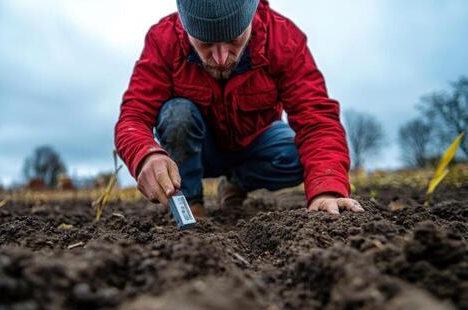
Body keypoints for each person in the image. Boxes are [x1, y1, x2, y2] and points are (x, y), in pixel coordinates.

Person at [115, 0, 364, 217]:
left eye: (234, 40)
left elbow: (316, 117)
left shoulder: (283, 39)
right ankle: (189, 204)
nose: (221, 58)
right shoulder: (163, 40)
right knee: (177, 114)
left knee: (297, 153)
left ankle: (235, 183)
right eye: (205, 44)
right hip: (200, 153)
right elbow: (134, 115)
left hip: (253, 145)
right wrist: (146, 155)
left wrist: (327, 190)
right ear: (186, 28)